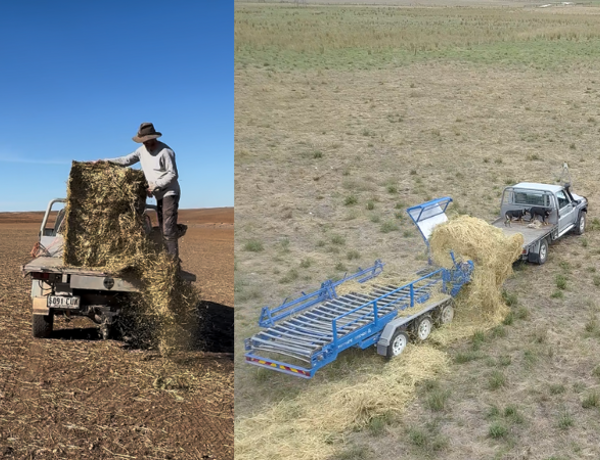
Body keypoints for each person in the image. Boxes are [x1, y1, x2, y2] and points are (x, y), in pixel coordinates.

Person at [99, 122, 182, 261]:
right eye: (143, 141)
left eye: (147, 141)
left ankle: (171, 262)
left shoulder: (166, 152)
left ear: (153, 138)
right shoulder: (141, 151)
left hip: (169, 192)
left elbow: (173, 175)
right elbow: (126, 160)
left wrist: (155, 186)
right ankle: (164, 255)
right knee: (162, 227)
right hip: (158, 193)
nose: (144, 144)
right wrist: (104, 162)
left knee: (167, 229)